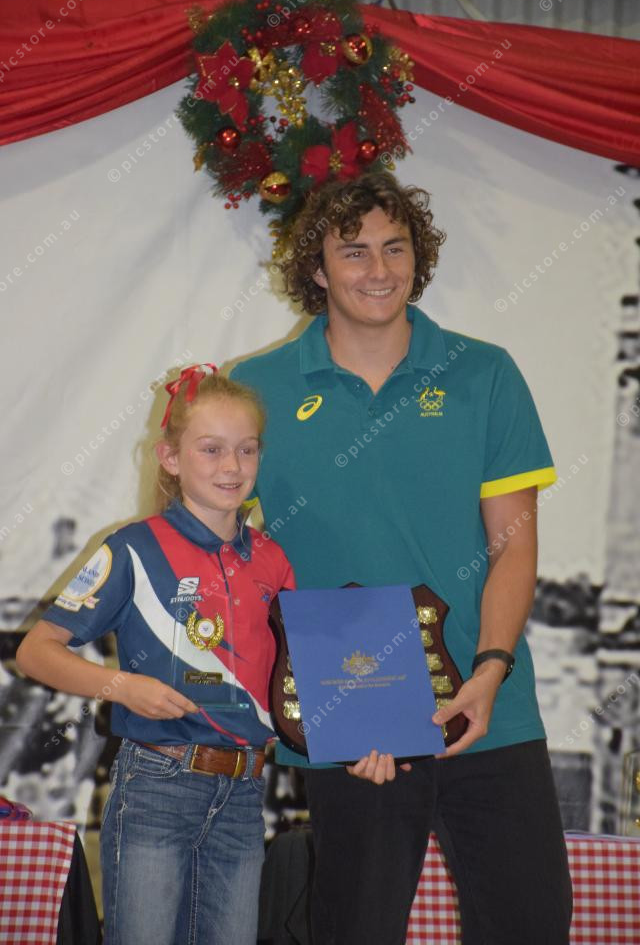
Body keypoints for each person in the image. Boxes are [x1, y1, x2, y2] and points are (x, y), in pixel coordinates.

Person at [230, 172, 572, 945]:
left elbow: (514, 546)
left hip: (487, 713)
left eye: (395, 247)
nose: (378, 269)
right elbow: (222, 555)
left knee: (532, 926)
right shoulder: (256, 388)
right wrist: (311, 703)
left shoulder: (485, 374)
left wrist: (490, 671)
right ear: (318, 269)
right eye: (353, 251)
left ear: (419, 258)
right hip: (350, 728)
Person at [16, 365, 295, 945]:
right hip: (157, 785)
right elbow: (36, 652)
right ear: (170, 457)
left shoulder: (273, 559)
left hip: (245, 793)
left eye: (246, 449)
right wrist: (120, 686)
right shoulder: (133, 548)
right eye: (211, 449)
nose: (232, 465)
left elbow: (302, 674)